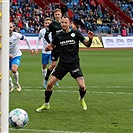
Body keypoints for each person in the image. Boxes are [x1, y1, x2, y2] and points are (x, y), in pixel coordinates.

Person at [36, 16, 94, 112]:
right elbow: (52, 46)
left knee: (82, 86)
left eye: (65, 22)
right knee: (50, 84)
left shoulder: (75, 33)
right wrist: (49, 48)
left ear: (69, 23)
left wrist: (90, 39)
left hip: (74, 64)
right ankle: (46, 104)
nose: (63, 24)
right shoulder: (58, 36)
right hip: (62, 64)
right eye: (62, 22)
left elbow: (87, 44)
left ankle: (81, 99)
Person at [9, 22, 34, 92]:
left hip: (16, 55)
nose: (9, 29)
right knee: (6, 75)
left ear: (13, 28)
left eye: (11, 27)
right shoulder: (3, 36)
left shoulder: (16, 35)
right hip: (6, 56)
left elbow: (26, 39)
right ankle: (11, 85)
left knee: (14, 70)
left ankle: (17, 83)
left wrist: (30, 49)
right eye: (8, 27)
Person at [43, 8, 62, 88]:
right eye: (56, 14)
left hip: (64, 46)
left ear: (61, 15)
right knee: (53, 64)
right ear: (54, 15)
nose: (57, 16)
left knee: (63, 64)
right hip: (56, 47)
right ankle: (46, 79)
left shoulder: (64, 23)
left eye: (58, 14)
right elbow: (46, 35)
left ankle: (55, 79)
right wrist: (51, 44)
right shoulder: (52, 25)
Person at [35, 17, 52, 86]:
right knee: (44, 66)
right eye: (46, 23)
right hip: (44, 51)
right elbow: (39, 39)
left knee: (52, 66)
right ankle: (45, 79)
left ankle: (52, 80)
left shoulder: (53, 30)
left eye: (49, 23)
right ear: (44, 24)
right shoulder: (42, 31)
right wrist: (36, 48)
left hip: (52, 51)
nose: (47, 24)